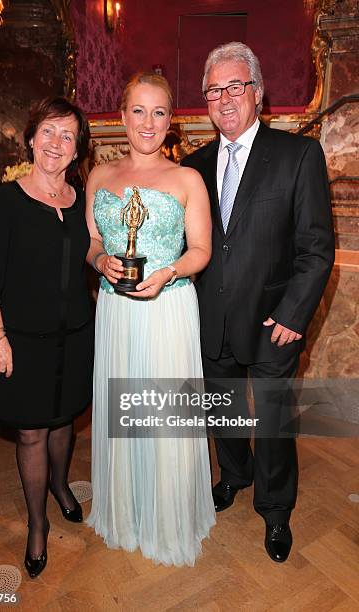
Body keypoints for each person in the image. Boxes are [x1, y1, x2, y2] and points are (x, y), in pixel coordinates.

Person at [181, 42, 335, 563]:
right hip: (211, 316)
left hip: (274, 321)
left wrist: (295, 314)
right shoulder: (191, 167)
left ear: (258, 93)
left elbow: (316, 249)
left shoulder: (298, 155)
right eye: (214, 89)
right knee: (221, 411)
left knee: (272, 420)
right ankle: (235, 476)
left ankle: (275, 510)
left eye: (235, 86)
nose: (224, 99)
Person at [85, 72, 215, 566]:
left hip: (168, 309)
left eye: (159, 112)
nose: (148, 122)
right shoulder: (99, 176)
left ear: (171, 122)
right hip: (116, 311)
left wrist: (169, 272)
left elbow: (201, 249)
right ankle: (128, 508)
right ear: (121, 118)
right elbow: (94, 241)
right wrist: (100, 261)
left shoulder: (187, 180)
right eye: (138, 111)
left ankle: (167, 515)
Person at [0, 97, 94, 578]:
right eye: (48, 131)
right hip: (22, 341)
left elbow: (87, 253)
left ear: (76, 148)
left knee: (64, 420)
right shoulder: (5, 199)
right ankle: (37, 523)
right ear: (30, 137)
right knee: (31, 431)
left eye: (67, 136)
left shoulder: (78, 199)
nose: (56, 144)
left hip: (77, 333)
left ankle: (62, 486)